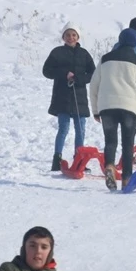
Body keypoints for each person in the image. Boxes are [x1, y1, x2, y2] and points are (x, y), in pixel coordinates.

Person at [89, 28, 136, 192]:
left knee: (110, 140)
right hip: (129, 108)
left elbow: (94, 85)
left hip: (107, 107)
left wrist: (96, 110)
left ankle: (109, 166)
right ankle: (126, 179)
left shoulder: (105, 59)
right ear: (135, 43)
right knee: (127, 144)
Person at [41, 21, 95, 172]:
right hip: (62, 97)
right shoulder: (57, 52)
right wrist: (64, 74)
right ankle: (56, 159)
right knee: (63, 128)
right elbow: (46, 71)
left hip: (80, 98)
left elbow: (93, 73)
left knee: (80, 129)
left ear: (78, 37)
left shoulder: (84, 54)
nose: (70, 37)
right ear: (63, 37)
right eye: (67, 35)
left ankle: (79, 159)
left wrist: (78, 78)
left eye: (73, 35)